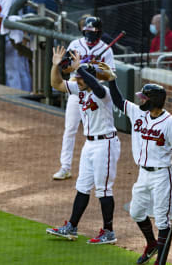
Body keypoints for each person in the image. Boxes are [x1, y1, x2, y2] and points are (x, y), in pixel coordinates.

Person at [108, 81, 172, 265]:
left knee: (162, 220)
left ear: (153, 101)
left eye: (144, 98)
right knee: (136, 211)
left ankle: (160, 260)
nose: (141, 100)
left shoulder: (171, 123)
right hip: (142, 174)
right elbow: (118, 101)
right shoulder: (138, 112)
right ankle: (151, 243)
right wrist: (112, 80)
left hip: (162, 175)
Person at [46, 46, 121, 244]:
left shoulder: (102, 92)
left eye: (80, 78)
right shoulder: (79, 90)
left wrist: (80, 69)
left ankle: (109, 232)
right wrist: (55, 66)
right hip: (89, 145)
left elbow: (95, 86)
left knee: (104, 189)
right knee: (82, 187)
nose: (76, 80)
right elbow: (56, 84)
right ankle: (72, 227)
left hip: (105, 144)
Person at [52, 16, 116, 180]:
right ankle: (65, 167)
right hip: (77, 87)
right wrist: (73, 67)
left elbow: (111, 75)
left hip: (97, 93)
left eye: (92, 32)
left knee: (98, 131)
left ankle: (99, 167)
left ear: (99, 33)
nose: (89, 35)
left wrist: (93, 68)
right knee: (70, 128)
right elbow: (66, 70)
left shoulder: (106, 50)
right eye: (87, 31)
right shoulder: (75, 45)